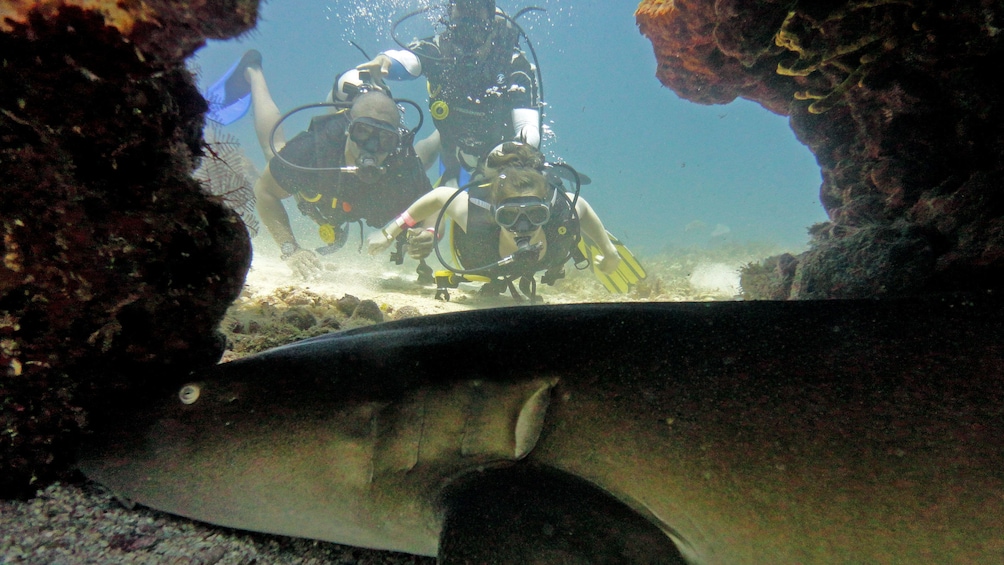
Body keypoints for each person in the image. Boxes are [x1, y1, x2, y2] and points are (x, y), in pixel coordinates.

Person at [366, 143, 623, 300]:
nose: (523, 228)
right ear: (494, 214)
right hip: (491, 183)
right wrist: (388, 232)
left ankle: (523, 154)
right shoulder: (478, 217)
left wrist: (609, 250)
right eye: (509, 216)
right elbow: (439, 196)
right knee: (487, 166)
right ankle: (489, 162)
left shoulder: (560, 213)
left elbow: (583, 208)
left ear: (547, 212)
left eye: (535, 216)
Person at [251, 86, 435, 280]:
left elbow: (433, 204)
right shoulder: (315, 148)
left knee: (421, 161)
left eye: (385, 138)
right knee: (275, 153)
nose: (372, 147)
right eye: (363, 131)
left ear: (395, 141)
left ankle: (442, 135)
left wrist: (430, 233)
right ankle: (254, 72)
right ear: (349, 128)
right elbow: (264, 191)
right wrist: (290, 249)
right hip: (321, 195)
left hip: (358, 197)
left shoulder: (402, 163)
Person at [353, 0, 540, 187]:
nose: (469, 19)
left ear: (491, 20)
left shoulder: (513, 63)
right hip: (450, 141)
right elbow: (411, 59)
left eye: (476, 11)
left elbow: (527, 126)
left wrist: (513, 154)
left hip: (497, 153)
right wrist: (387, 61)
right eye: (463, 9)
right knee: (434, 151)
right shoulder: (439, 48)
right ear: (450, 16)